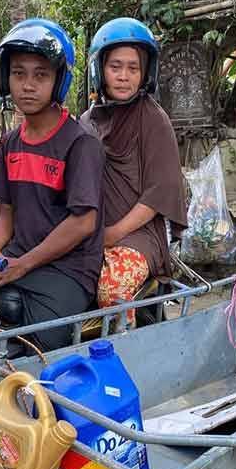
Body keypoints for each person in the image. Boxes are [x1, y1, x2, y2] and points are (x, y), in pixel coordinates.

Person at [0, 18, 105, 353]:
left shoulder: (81, 143)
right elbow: (6, 213)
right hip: (14, 259)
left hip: (66, 270)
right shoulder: (11, 143)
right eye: (18, 73)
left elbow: (83, 222)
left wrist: (22, 265)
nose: (28, 85)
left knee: (35, 346)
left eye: (40, 75)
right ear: (6, 78)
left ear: (59, 80)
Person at [81, 18, 187, 325]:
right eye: (115, 67)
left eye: (133, 68)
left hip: (138, 235)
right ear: (99, 69)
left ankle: (126, 346)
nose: (124, 76)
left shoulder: (154, 119)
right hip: (89, 232)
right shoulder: (86, 121)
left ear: (145, 74)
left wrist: (112, 234)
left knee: (112, 289)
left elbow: (159, 192)